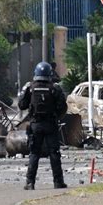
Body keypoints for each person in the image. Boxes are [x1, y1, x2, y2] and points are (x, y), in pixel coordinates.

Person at [18, 62, 68, 190]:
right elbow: (63, 107)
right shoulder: (55, 88)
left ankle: (30, 183)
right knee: (54, 153)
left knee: (34, 153)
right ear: (50, 73)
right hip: (51, 124)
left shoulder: (30, 87)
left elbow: (21, 105)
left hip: (35, 125)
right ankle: (58, 182)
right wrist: (56, 116)